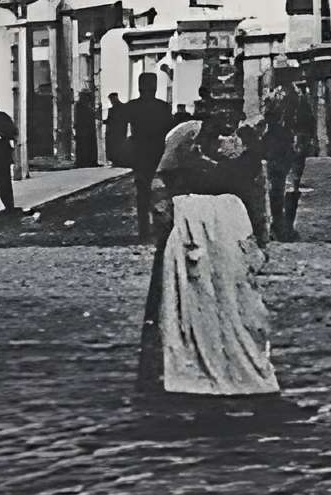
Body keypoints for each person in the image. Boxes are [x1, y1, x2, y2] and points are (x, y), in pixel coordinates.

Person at [137, 95, 287, 410]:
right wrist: (167, 220)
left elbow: (257, 188)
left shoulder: (248, 140)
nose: (225, 115)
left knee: (239, 300)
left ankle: (239, 369)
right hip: (190, 229)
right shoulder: (184, 138)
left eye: (232, 107)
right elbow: (160, 182)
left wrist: (261, 236)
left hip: (232, 228)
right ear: (204, 109)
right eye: (217, 107)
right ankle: (186, 372)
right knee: (187, 303)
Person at [118, 74, 177, 236]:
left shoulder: (132, 106)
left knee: (142, 190)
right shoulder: (163, 107)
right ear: (155, 87)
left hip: (140, 152)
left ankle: (144, 229)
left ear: (139, 86)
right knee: (162, 190)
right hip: (158, 151)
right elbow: (170, 130)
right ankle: (162, 227)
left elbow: (122, 129)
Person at [261, 73, 317, 240]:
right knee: (291, 186)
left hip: (275, 146)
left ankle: (278, 225)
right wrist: (308, 141)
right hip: (292, 146)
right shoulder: (300, 99)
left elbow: (265, 119)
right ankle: (286, 227)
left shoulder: (272, 98)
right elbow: (309, 122)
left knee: (276, 187)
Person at [74, 82, 100, 170]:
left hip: (88, 129)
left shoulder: (85, 105)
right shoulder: (79, 105)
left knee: (88, 145)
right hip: (83, 129)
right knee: (84, 146)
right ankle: (83, 162)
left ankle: (89, 162)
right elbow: (82, 116)